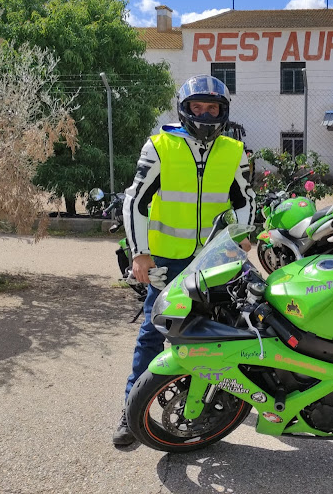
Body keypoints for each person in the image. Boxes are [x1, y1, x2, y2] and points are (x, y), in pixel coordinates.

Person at [112, 74, 255, 446]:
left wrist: (244, 236)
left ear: (223, 111)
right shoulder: (160, 145)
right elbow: (136, 201)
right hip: (167, 259)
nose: (205, 114)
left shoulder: (233, 150)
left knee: (219, 330)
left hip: (213, 259)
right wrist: (139, 254)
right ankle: (131, 411)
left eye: (213, 108)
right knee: (153, 333)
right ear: (184, 108)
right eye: (198, 107)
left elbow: (244, 199)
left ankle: (210, 402)